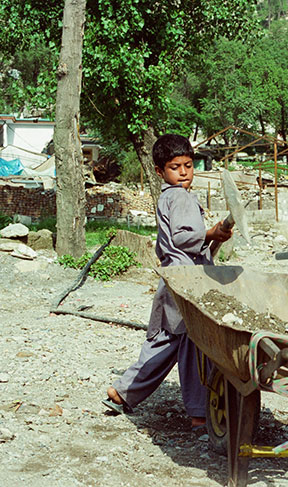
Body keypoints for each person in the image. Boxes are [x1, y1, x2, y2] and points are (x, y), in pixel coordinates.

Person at [102, 134, 232, 429]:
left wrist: (214, 240)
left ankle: (122, 392)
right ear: (160, 171)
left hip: (174, 277)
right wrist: (210, 233)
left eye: (188, 165)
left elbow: (185, 245)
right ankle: (200, 413)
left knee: (166, 341)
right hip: (185, 282)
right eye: (176, 167)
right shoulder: (179, 196)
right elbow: (182, 239)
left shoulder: (167, 197)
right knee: (194, 346)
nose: (184, 172)